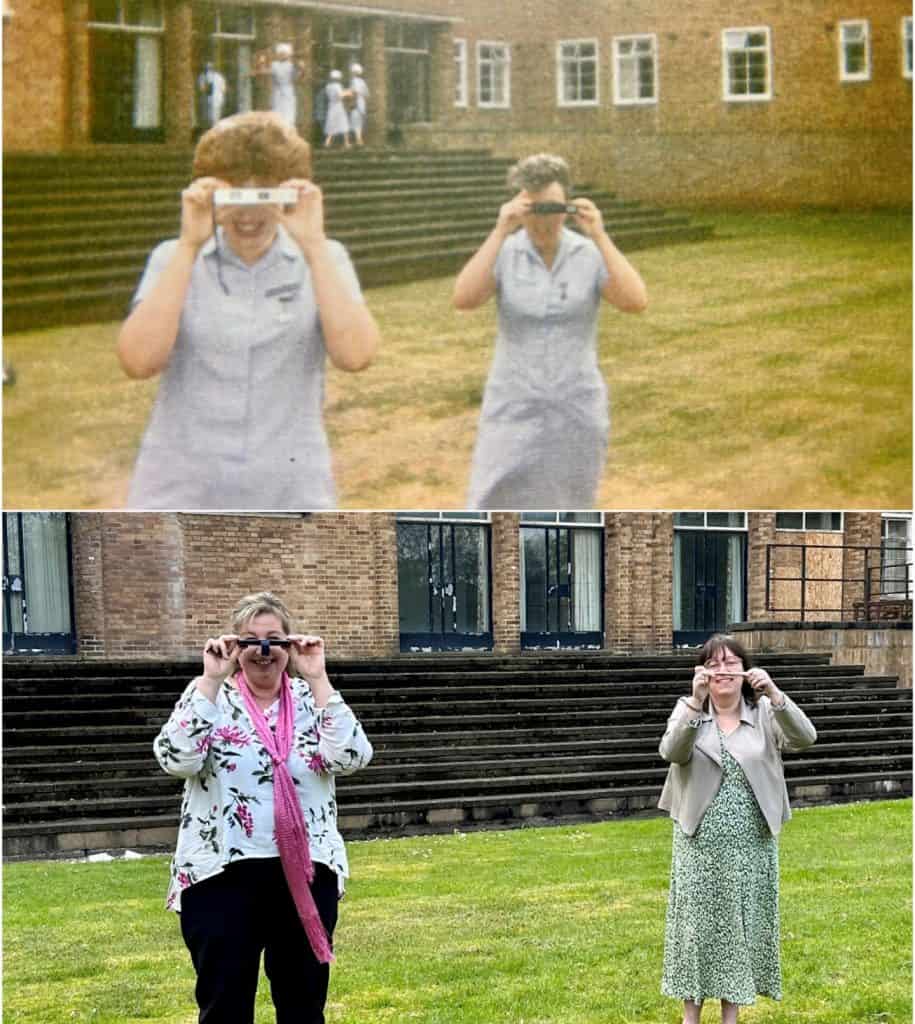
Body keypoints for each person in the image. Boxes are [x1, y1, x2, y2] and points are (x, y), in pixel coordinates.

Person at [118, 111, 380, 509]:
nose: (248, 215)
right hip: (179, 482)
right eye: (236, 196)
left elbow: (357, 355)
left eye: (265, 196)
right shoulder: (172, 258)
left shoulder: (326, 258)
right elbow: (138, 361)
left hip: (289, 485)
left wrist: (315, 246)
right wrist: (189, 246)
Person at [154, 591, 373, 1024]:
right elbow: (174, 758)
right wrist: (211, 679)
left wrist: (318, 677)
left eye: (274, 639)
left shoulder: (312, 700)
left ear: (290, 645)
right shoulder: (210, 698)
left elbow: (352, 756)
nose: (263, 650)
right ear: (234, 646)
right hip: (220, 874)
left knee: (303, 1006)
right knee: (224, 1008)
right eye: (251, 640)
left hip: (306, 873)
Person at [453, 153, 648, 509]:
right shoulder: (506, 252)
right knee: (491, 500)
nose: (546, 221)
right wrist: (500, 231)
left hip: (575, 404)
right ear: (520, 206)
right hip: (513, 403)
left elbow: (635, 301)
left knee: (571, 505)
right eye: (536, 209)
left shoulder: (588, 254)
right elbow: (464, 298)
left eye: (555, 208)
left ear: (569, 207)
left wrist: (600, 236)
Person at [658, 634, 818, 1024]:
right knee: (696, 930)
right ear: (702, 673)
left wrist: (777, 695)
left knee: (740, 926)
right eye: (714, 664)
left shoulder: (764, 713)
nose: (723, 670)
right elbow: (672, 752)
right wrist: (696, 704)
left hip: (751, 843)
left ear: (745, 671)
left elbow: (805, 737)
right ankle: (690, 1017)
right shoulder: (688, 710)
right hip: (699, 843)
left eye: (732, 662)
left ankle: (731, 1016)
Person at [254, 42, 302, 126]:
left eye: (284, 54)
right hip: (278, 92)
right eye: (281, 53)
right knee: (277, 114)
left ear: (288, 55)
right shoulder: (274, 65)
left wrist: (301, 69)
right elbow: (263, 72)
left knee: (288, 114)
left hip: (288, 93)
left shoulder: (291, 66)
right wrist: (261, 63)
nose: (282, 55)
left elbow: (297, 77)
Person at [323, 70, 351, 148]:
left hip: (331, 106)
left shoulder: (328, 86)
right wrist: (348, 92)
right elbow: (340, 96)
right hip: (338, 106)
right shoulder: (337, 86)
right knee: (343, 123)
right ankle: (346, 143)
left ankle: (327, 142)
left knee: (331, 123)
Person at [197, 62, 227, 129]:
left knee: (212, 116)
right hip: (211, 99)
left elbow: (223, 88)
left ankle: (213, 129)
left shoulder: (218, 77)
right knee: (211, 116)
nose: (209, 71)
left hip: (215, 99)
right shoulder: (203, 77)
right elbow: (223, 89)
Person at [347, 63, 369, 146]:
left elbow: (354, 92)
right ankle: (358, 140)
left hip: (356, 104)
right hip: (362, 104)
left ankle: (359, 141)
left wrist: (352, 102)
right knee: (358, 123)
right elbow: (366, 94)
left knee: (355, 123)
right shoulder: (362, 82)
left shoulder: (353, 81)